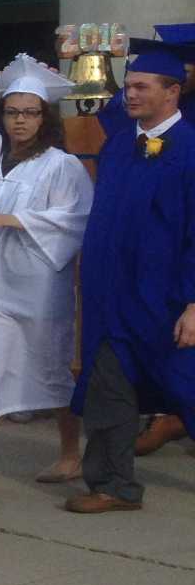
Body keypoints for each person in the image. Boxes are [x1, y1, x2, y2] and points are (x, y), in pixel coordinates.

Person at [65, 30, 195, 515]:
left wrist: (193, 303)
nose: (130, 94)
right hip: (112, 298)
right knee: (108, 386)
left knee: (184, 384)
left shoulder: (191, 150)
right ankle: (113, 484)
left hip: (166, 301)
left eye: (142, 86)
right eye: (129, 85)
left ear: (172, 92)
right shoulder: (119, 146)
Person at [0, 56, 91, 485]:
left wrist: (12, 220)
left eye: (30, 113)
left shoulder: (61, 165)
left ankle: (70, 452)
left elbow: (74, 218)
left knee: (51, 367)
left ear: (45, 117)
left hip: (38, 285)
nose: (20, 121)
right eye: (13, 112)